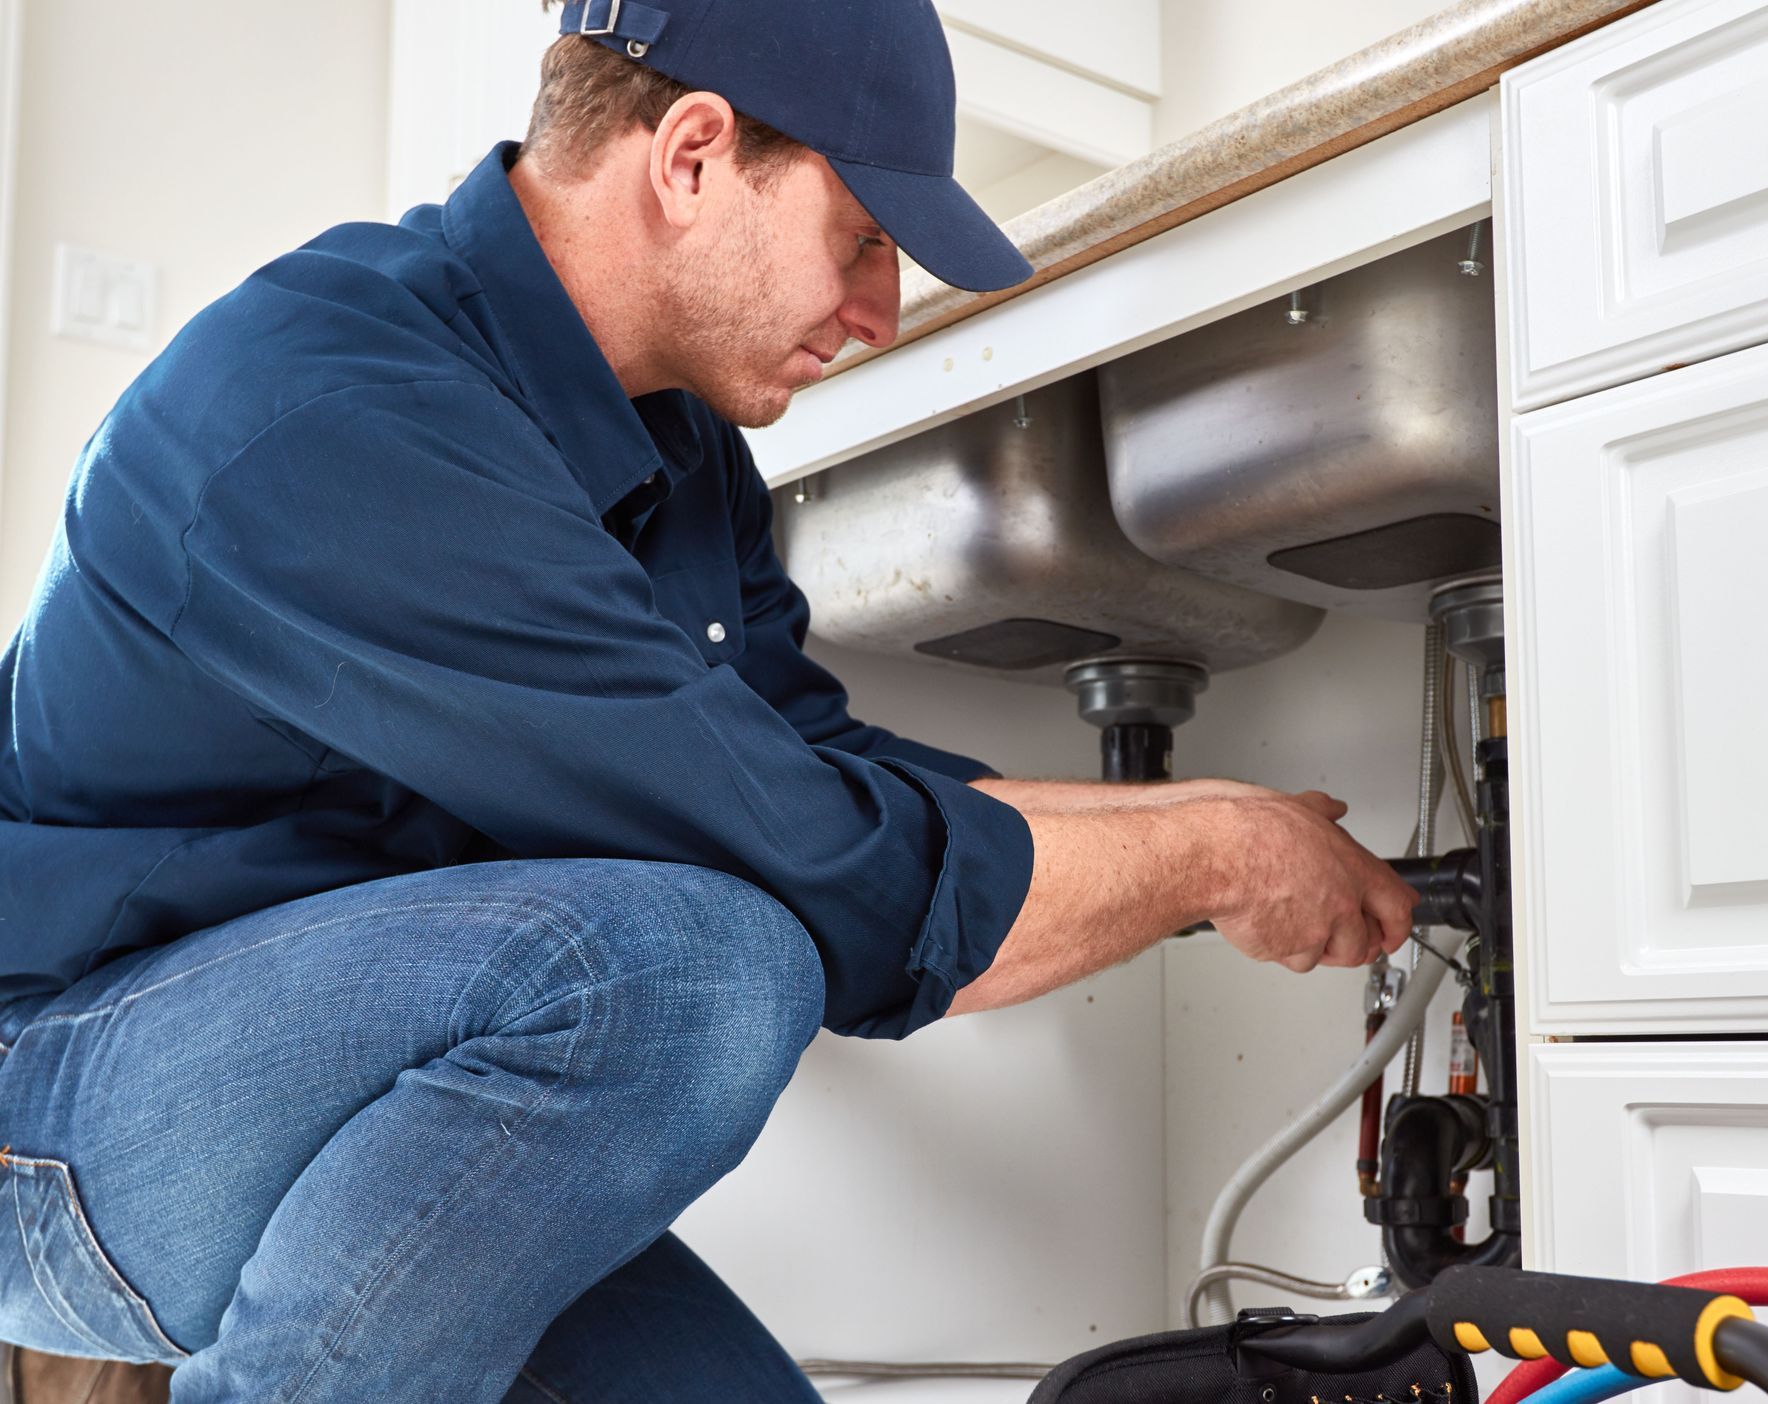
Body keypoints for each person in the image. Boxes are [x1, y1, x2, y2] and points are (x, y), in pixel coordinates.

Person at [0, 0, 1417, 1399]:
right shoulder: (338, 410)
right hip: (56, 1107)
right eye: (862, 237)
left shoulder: (674, 443)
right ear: (690, 155)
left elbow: (807, 760)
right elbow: (816, 866)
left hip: (343, 1085)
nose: (877, 314)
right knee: (695, 969)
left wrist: (1209, 817)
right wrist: (1217, 857)